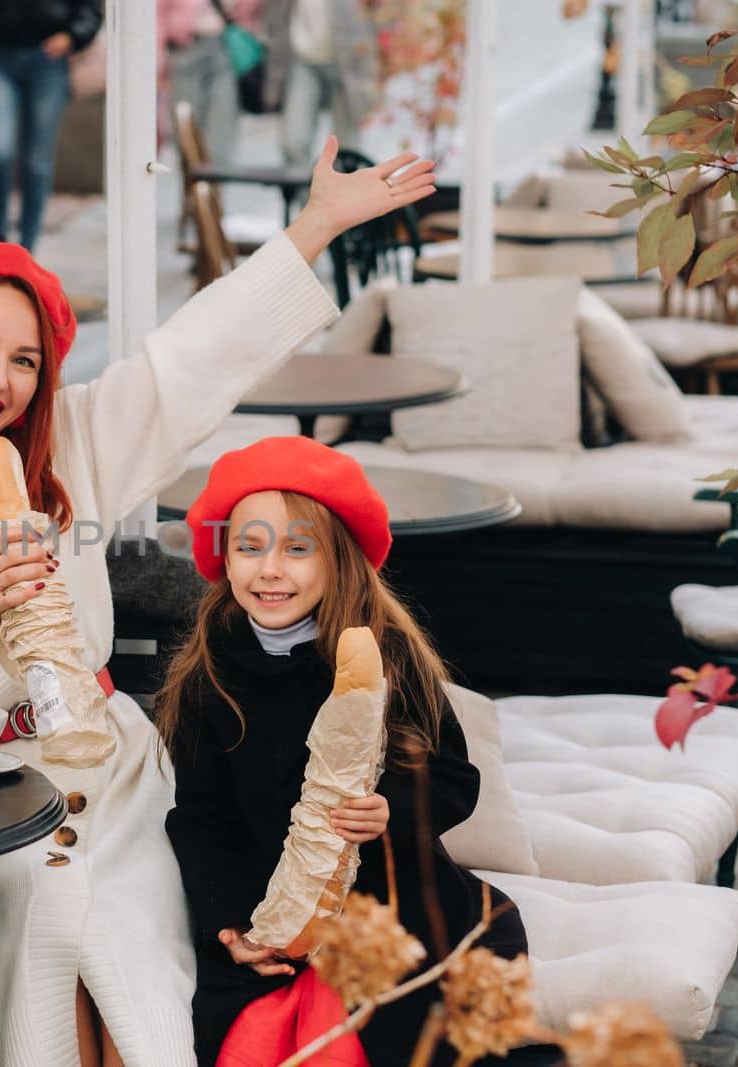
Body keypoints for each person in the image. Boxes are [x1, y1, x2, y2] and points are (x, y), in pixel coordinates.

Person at [0, 141, 433, 1066]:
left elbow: (192, 362)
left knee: (134, 951)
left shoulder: (72, 452)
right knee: (52, 919)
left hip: (115, 778)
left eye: (23, 360)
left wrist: (316, 224)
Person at [159, 436, 560, 1067]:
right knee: (251, 1041)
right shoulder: (210, 674)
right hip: (274, 910)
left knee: (371, 1039)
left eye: (298, 548)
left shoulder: (387, 653)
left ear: (338, 557)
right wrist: (230, 922)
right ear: (223, 557)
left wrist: (389, 811)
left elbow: (455, 777)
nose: (271, 569)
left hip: (390, 907)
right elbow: (202, 818)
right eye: (250, 546)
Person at [0, 0, 103, 251]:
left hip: (49, 60)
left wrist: (73, 35)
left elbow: (91, 7)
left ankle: (28, 248)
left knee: (36, 162)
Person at [263, 0, 382, 169]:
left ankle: (344, 191)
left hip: (348, 63)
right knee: (294, 140)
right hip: (304, 59)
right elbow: (276, 18)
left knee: (346, 146)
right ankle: (302, 194)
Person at [158, 0, 263, 166]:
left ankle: (216, 189)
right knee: (187, 140)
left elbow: (252, 8)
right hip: (184, 51)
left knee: (220, 138)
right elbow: (158, 16)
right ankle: (191, 190)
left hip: (222, 49)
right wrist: (157, 65)